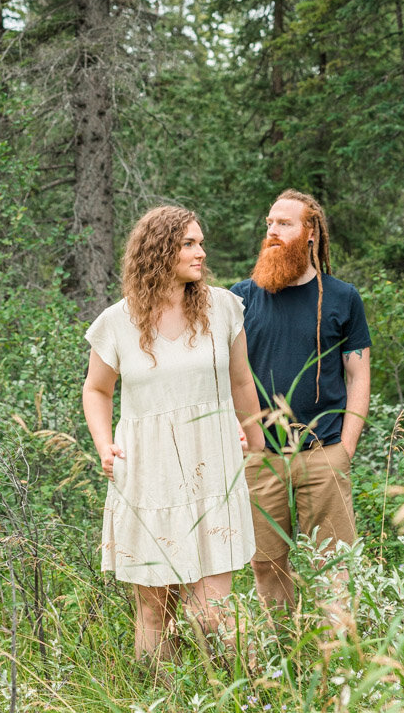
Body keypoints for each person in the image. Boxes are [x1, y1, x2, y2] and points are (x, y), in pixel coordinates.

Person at [82, 205, 264, 662]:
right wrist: (105, 446)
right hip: (148, 473)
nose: (201, 252)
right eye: (189, 244)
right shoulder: (117, 322)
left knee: (212, 614)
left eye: (200, 243)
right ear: (159, 250)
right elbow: (97, 390)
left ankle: (248, 696)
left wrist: (254, 436)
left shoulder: (222, 308)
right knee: (154, 611)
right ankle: (156, 698)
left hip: (213, 468)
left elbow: (242, 381)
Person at [232, 189, 371, 610]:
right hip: (261, 457)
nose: (272, 231)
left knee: (334, 567)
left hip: (321, 451)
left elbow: (358, 374)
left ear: (311, 231)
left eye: (285, 224)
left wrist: (345, 448)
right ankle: (283, 660)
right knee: (266, 564)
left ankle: (339, 660)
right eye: (270, 223)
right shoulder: (239, 298)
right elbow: (223, 377)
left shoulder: (342, 297)